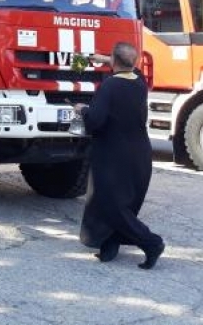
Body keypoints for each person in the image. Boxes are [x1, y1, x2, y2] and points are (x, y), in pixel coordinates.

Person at [73, 42, 165, 269]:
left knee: (109, 204)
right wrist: (108, 60)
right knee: (122, 202)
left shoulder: (110, 86)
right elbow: (133, 70)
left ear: (115, 61)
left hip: (114, 156)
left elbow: (95, 121)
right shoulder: (140, 83)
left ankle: (151, 242)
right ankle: (109, 247)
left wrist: (82, 110)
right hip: (139, 154)